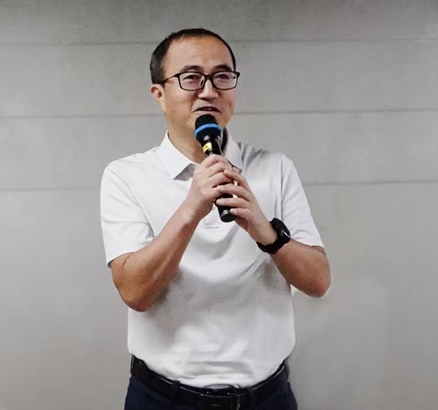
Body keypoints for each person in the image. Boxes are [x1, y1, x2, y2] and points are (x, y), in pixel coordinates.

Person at [100, 28, 331, 410]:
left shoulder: (274, 168)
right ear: (159, 94)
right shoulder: (126, 176)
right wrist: (192, 208)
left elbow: (318, 282)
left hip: (266, 398)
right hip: (164, 399)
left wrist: (266, 232)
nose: (209, 91)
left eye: (222, 76)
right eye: (191, 78)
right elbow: (135, 293)